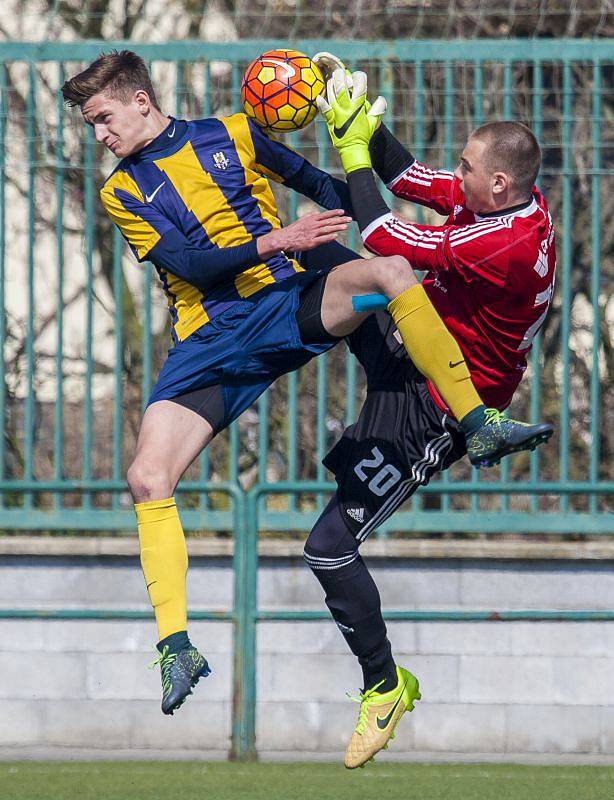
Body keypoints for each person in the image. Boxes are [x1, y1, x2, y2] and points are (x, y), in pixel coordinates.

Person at [61, 50, 550, 718]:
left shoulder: (233, 131)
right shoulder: (121, 190)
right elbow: (189, 263)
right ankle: (177, 646)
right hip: (209, 341)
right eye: (91, 124)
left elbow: (320, 184)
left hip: (285, 305)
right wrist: (280, 240)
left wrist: (352, 152)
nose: (100, 136)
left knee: (389, 273)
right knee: (147, 476)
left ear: (140, 101)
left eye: (103, 118)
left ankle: (478, 423)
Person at [303, 59, 557, 768]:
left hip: (435, 407)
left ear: (498, 183)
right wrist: (355, 112)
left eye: (469, 168)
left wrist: (354, 155)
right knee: (315, 261)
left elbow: (389, 240)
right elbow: (412, 179)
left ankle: (383, 684)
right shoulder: (497, 201)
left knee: (328, 547)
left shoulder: (506, 241)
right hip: (412, 338)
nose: (460, 174)